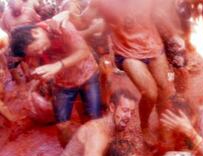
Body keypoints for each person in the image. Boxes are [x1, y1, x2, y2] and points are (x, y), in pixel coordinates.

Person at [69, 0, 179, 145]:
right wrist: (72, 9)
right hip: (127, 52)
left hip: (153, 45)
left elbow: (161, 13)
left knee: (164, 88)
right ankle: (144, 126)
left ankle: (164, 126)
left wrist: (174, 35)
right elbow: (81, 23)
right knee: (150, 92)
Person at [10, 15, 102, 146]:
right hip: (63, 83)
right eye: (36, 52)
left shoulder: (60, 26)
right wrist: (39, 76)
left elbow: (84, 51)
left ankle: (95, 150)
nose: (41, 52)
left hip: (87, 75)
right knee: (62, 126)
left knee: (94, 120)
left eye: (38, 48)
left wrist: (57, 65)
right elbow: (35, 63)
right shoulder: (33, 47)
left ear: (35, 32)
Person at [2, 0, 41, 84]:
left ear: (22, 4)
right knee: (12, 65)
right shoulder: (6, 15)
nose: (16, 13)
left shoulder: (30, 12)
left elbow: (38, 26)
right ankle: (22, 83)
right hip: (15, 46)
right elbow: (4, 31)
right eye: (13, 9)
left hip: (30, 45)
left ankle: (34, 80)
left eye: (18, 10)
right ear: (9, 7)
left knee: (32, 65)